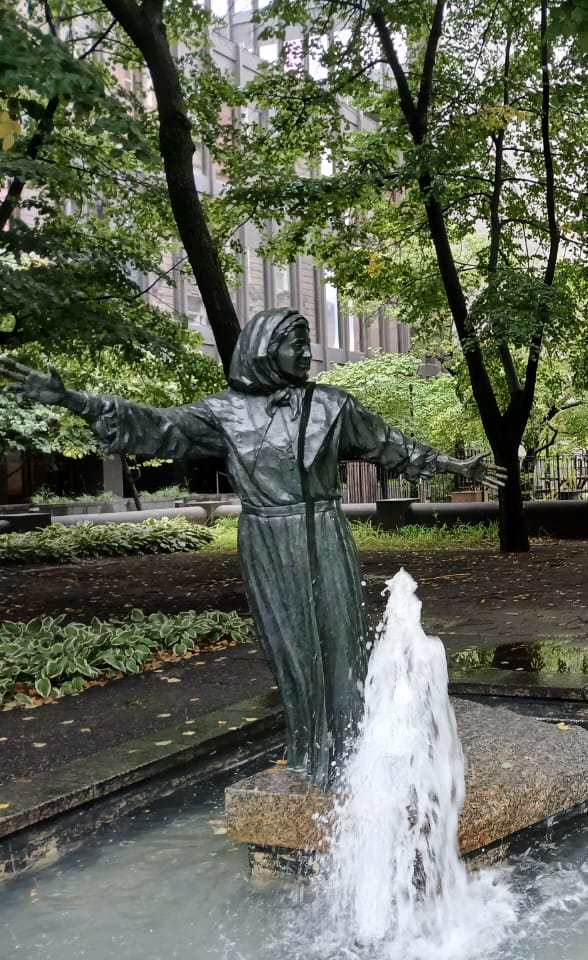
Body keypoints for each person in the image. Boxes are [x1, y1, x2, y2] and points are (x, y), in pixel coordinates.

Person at [1, 308, 504, 786]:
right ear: (265, 349)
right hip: (266, 539)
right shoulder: (223, 411)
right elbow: (158, 427)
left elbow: (391, 444)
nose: (306, 352)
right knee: (290, 648)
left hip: (324, 531)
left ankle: (355, 747)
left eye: (308, 343)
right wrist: (77, 402)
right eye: (295, 343)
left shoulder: (333, 404)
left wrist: (454, 468)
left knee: (341, 640)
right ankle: (310, 751)